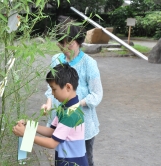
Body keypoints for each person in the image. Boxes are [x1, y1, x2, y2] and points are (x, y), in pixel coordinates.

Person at [41, 16, 103, 166]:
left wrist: (76, 104)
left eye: (70, 42)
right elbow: (52, 87)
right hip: (61, 118)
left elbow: (97, 94)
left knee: (85, 159)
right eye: (62, 43)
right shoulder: (56, 59)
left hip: (82, 122)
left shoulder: (89, 63)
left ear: (79, 41)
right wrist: (49, 103)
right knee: (63, 155)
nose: (65, 47)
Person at [13, 63, 89, 166]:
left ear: (68, 87)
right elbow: (52, 131)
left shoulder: (70, 114)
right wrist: (29, 125)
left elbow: (52, 143)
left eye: (54, 89)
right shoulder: (65, 107)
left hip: (72, 162)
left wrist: (26, 135)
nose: (52, 93)